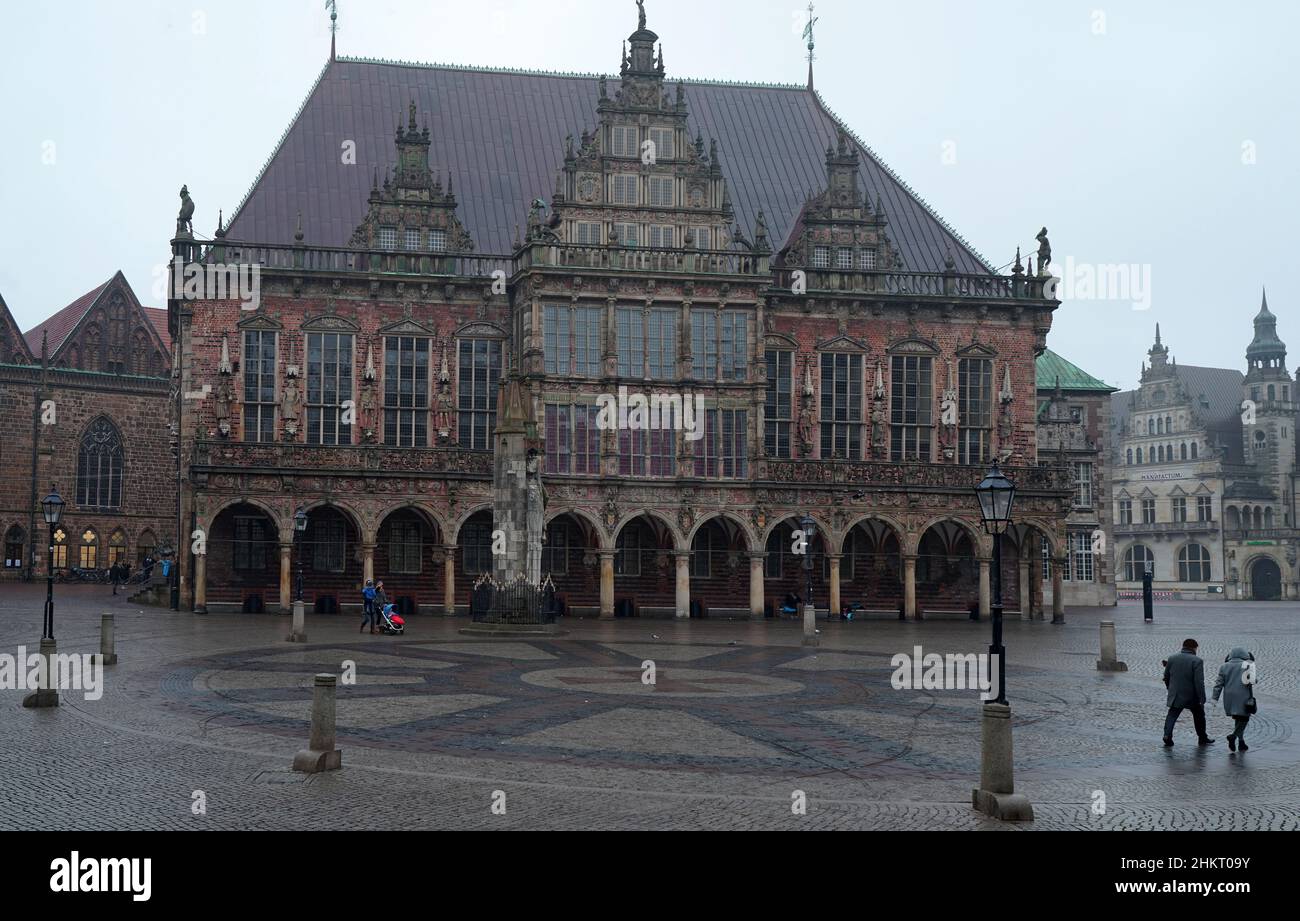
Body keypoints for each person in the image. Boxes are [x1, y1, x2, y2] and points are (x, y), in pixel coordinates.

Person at [1162, 638, 1214, 747]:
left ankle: (1167, 735)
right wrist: (1202, 698)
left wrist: (1169, 688)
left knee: (1172, 715)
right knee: (1199, 715)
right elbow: (1199, 682)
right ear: (1194, 648)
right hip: (1192, 696)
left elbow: (1166, 676)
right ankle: (1202, 738)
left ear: (1183, 646)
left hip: (1176, 694)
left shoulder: (1172, 658)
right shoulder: (1197, 661)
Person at [1213, 647, 1257, 752]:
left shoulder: (1224, 666)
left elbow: (1218, 684)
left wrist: (1215, 698)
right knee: (1244, 718)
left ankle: (1241, 742)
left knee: (1238, 718)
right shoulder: (1247, 665)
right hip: (1243, 696)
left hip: (1229, 697)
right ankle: (1233, 736)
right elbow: (1253, 681)